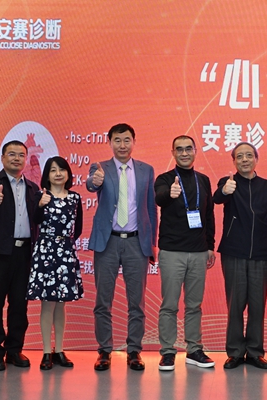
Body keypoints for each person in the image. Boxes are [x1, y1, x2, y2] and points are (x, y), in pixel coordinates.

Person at [86, 123, 157, 371]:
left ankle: (134, 351)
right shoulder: (100, 168)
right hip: (108, 242)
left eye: (127, 140)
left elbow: (151, 208)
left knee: (136, 302)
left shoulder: (146, 170)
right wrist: (94, 181)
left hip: (137, 242)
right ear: (110, 143)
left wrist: (152, 244)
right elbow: (91, 184)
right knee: (103, 301)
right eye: (117, 140)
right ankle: (104, 351)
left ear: (134, 142)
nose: (122, 145)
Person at [213, 142, 267, 370]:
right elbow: (217, 198)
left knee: (257, 305)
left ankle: (254, 352)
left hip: (261, 254)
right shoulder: (228, 182)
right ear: (234, 161)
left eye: (249, 155)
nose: (244, 160)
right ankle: (234, 352)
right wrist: (225, 190)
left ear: (256, 159)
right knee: (235, 305)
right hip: (234, 252)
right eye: (240, 156)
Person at [154, 135, 216, 371]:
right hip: (172, 252)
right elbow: (159, 198)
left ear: (195, 151)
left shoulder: (204, 180)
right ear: (173, 153)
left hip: (199, 251)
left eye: (188, 149)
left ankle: (194, 349)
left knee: (194, 305)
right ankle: (168, 351)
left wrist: (210, 245)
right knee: (169, 304)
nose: (184, 153)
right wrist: (168, 194)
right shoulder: (165, 179)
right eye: (179, 149)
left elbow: (209, 215)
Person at [0, 140, 39, 371]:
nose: (17, 158)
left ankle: (15, 349)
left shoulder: (33, 188)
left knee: (19, 304)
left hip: (24, 252)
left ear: (25, 159)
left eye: (21, 155)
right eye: (12, 154)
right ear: (3, 158)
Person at [27, 156, 84, 370]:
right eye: (53, 170)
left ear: (68, 173)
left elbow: (78, 229)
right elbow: (35, 221)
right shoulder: (41, 196)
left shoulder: (75, 197)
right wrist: (40, 206)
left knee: (61, 304)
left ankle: (59, 350)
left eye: (62, 169)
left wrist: (64, 244)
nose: (58, 174)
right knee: (47, 303)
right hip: (46, 253)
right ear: (47, 175)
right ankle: (45, 352)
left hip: (65, 252)